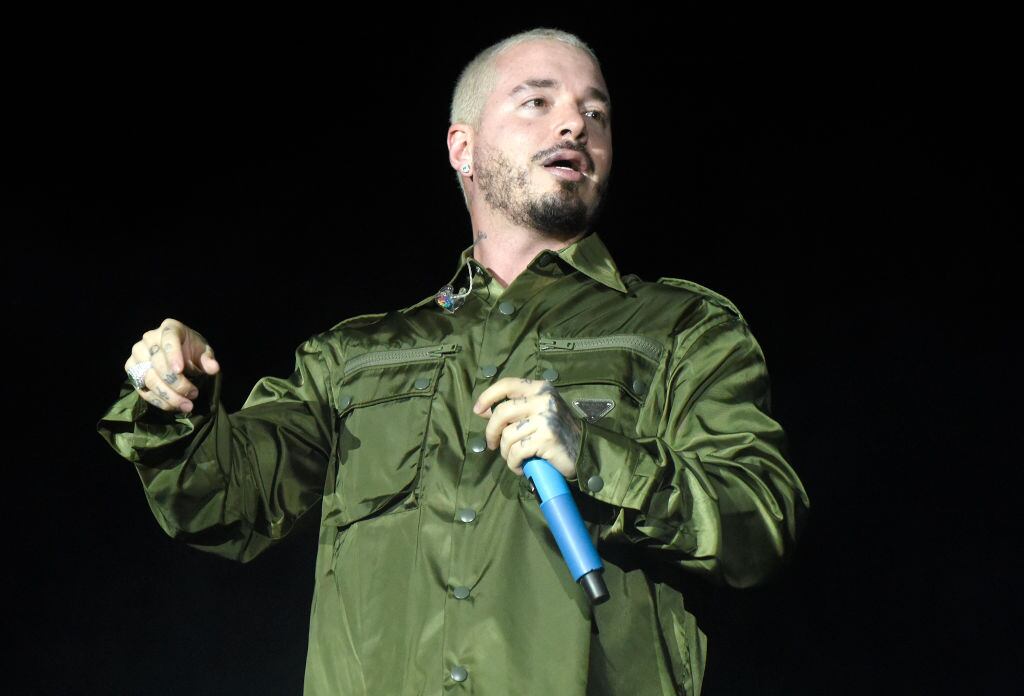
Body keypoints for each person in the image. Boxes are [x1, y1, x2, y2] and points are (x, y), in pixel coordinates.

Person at [97, 27, 809, 695]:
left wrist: (593, 458)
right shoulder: (354, 356)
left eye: (597, 113)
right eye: (538, 102)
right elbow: (228, 501)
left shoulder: (682, 329)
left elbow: (760, 523)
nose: (574, 126)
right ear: (461, 147)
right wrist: (174, 401)